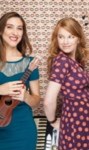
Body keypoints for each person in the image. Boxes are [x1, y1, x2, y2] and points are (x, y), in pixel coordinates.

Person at [44, 17, 89, 150]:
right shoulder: (62, 61)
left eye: (70, 37)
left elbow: (82, 94)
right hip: (75, 122)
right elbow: (48, 101)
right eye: (61, 37)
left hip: (84, 120)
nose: (65, 41)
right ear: (56, 39)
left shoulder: (76, 63)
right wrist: (53, 121)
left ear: (78, 39)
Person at [0, 12, 40, 150]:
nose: (15, 32)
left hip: (23, 131)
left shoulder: (30, 63)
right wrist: (1, 89)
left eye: (20, 28)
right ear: (1, 30)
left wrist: (27, 97)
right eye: (9, 27)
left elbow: (36, 101)